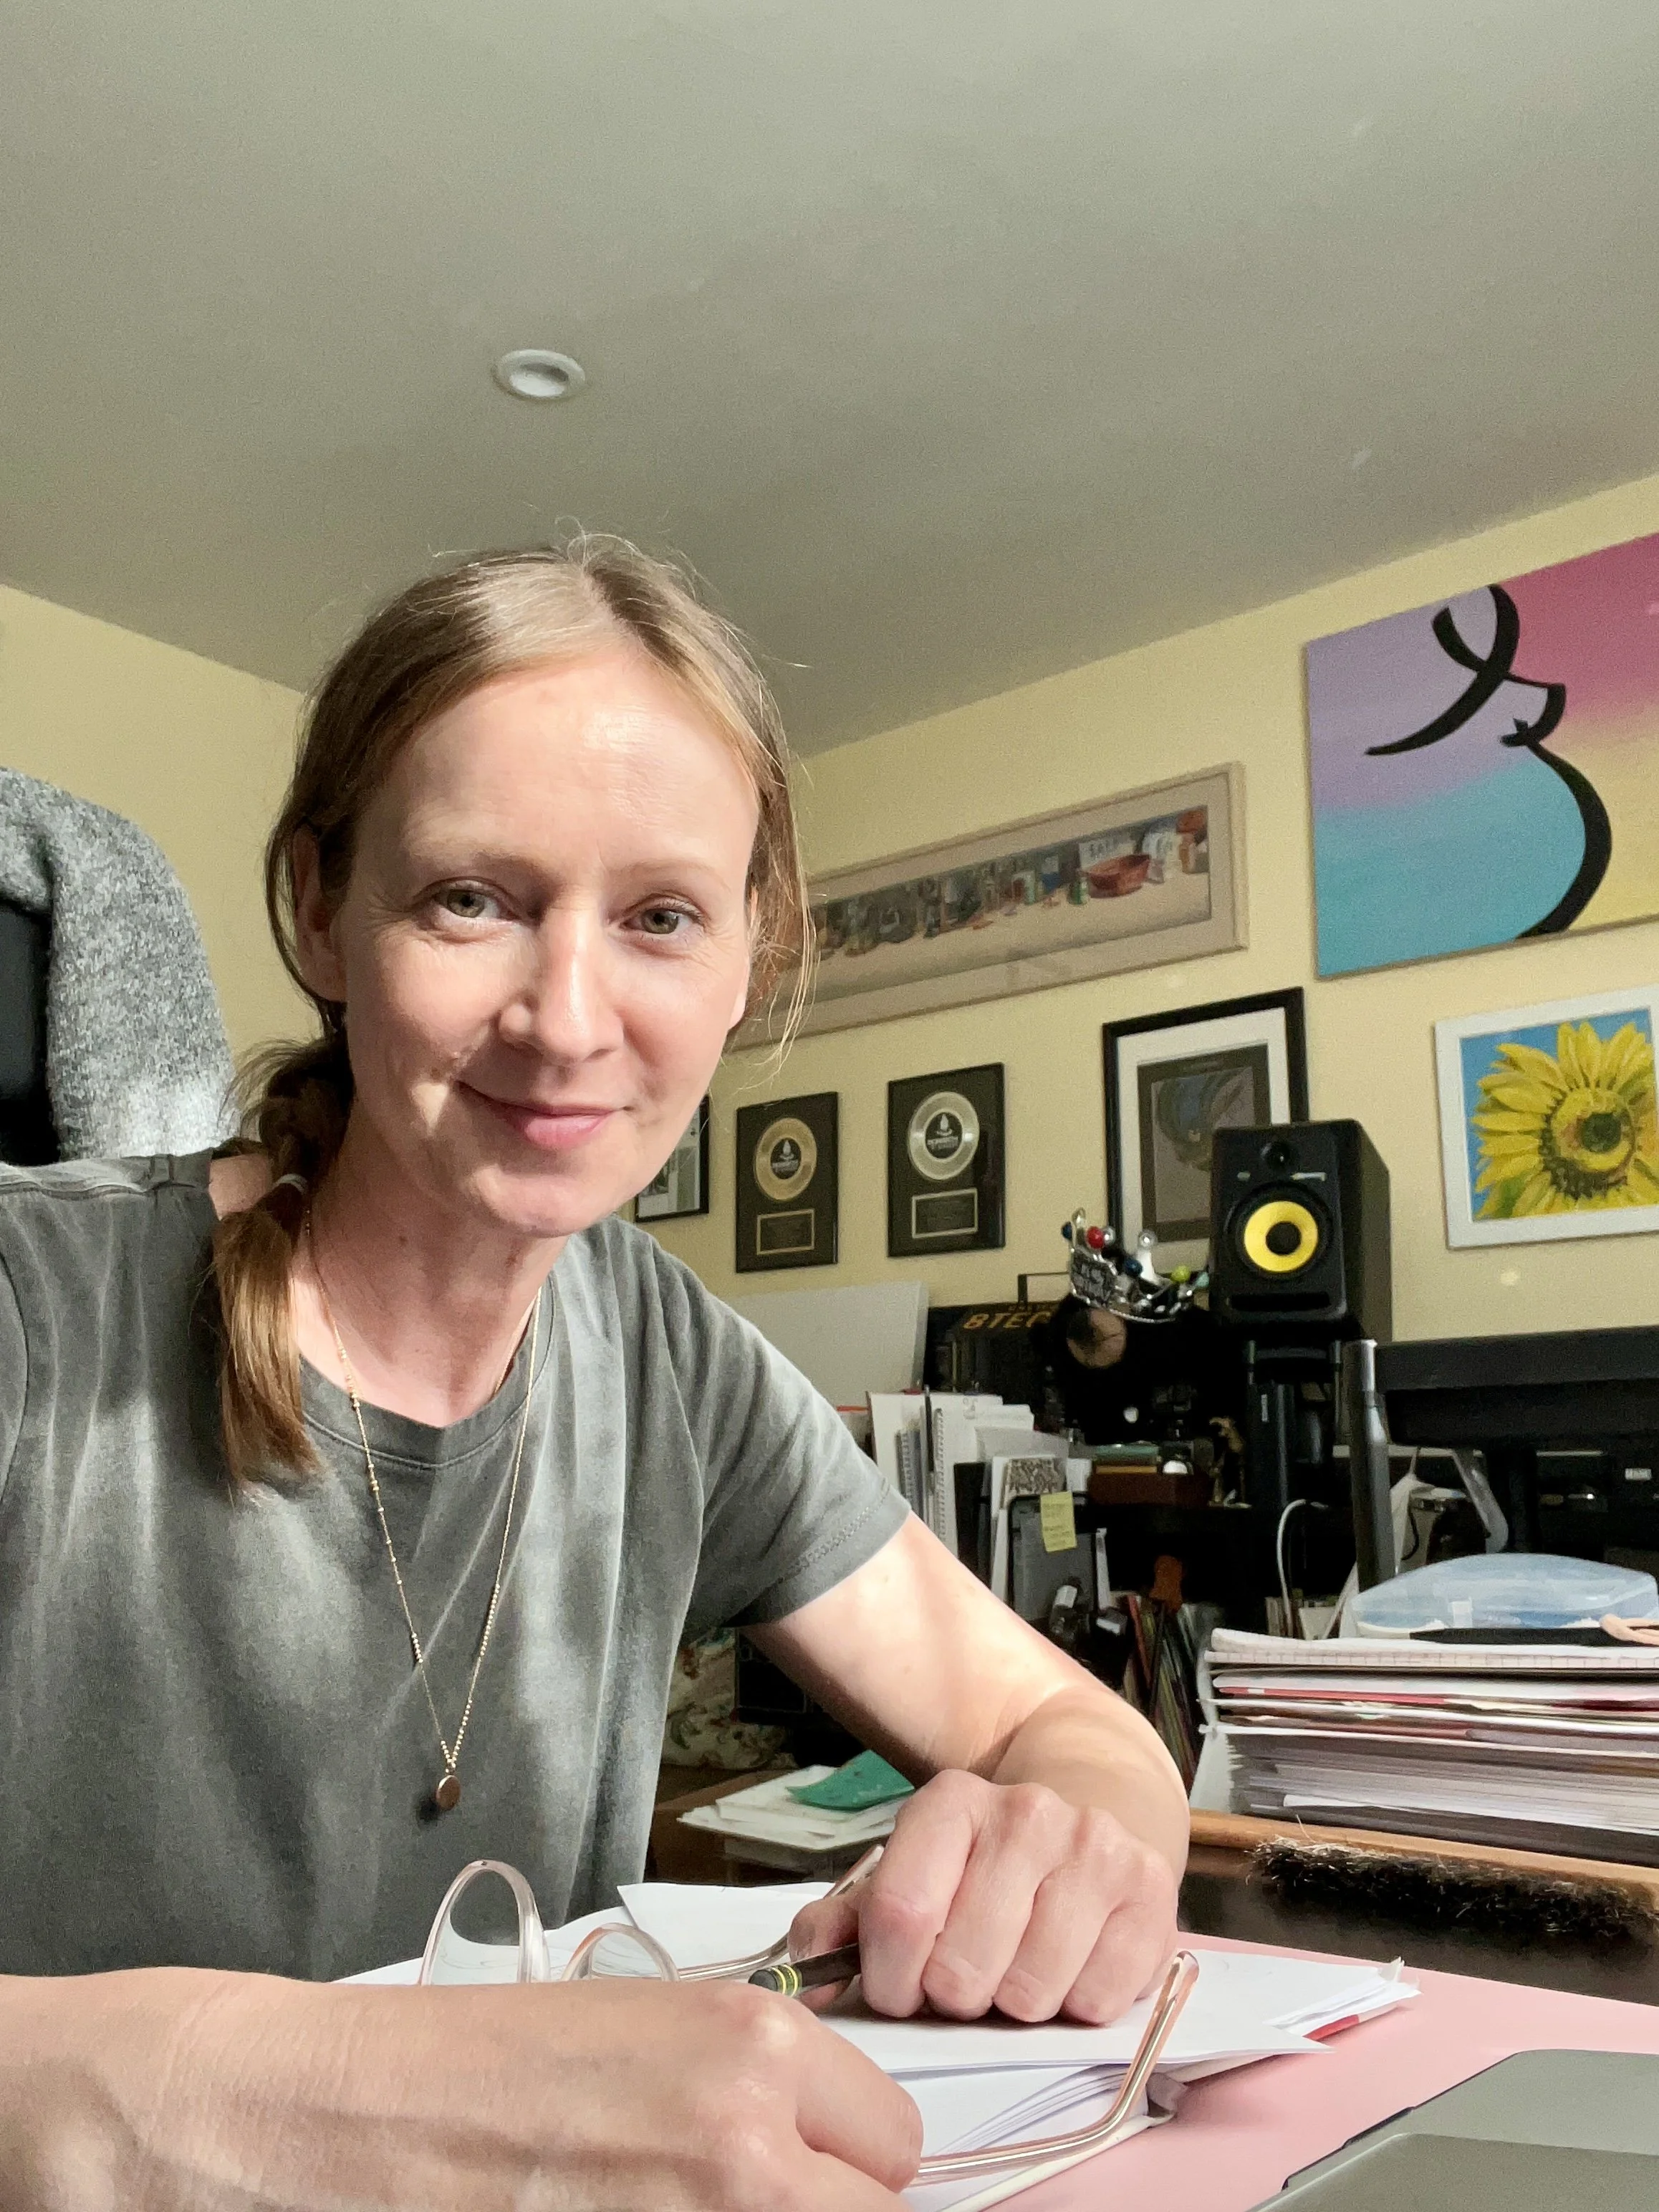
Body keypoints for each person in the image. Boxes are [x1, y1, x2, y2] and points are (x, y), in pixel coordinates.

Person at [0, 542, 1187, 2207]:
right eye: (471, 897)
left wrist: (1072, 1838)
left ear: (745, 958)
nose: (568, 1020)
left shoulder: (672, 1357)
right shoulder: (33, 1303)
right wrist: (329, 2109)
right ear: (318, 910)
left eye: (660, 918)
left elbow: (1057, 1716)